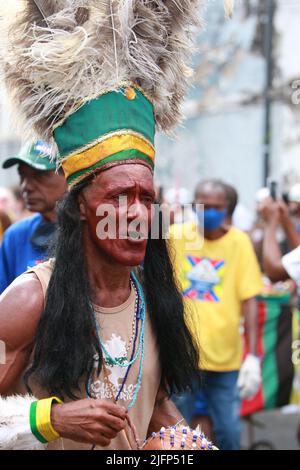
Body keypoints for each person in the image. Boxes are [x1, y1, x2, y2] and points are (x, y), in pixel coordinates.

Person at [0, 0, 207, 450]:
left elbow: (153, 407)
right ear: (78, 209)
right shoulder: (29, 298)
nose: (136, 214)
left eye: (145, 199)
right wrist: (49, 419)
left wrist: (184, 444)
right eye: (118, 197)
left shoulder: (150, 301)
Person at [170, 179, 263, 450]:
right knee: (178, 434)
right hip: (183, 355)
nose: (207, 212)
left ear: (227, 209)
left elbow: (250, 299)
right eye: (202, 206)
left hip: (225, 360)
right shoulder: (176, 235)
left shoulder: (239, 243)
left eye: (215, 207)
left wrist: (254, 356)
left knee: (228, 432)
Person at [0, 141, 67, 293]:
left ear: (70, 176)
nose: (26, 186)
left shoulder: (94, 233)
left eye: (40, 175)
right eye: (22, 176)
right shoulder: (16, 236)